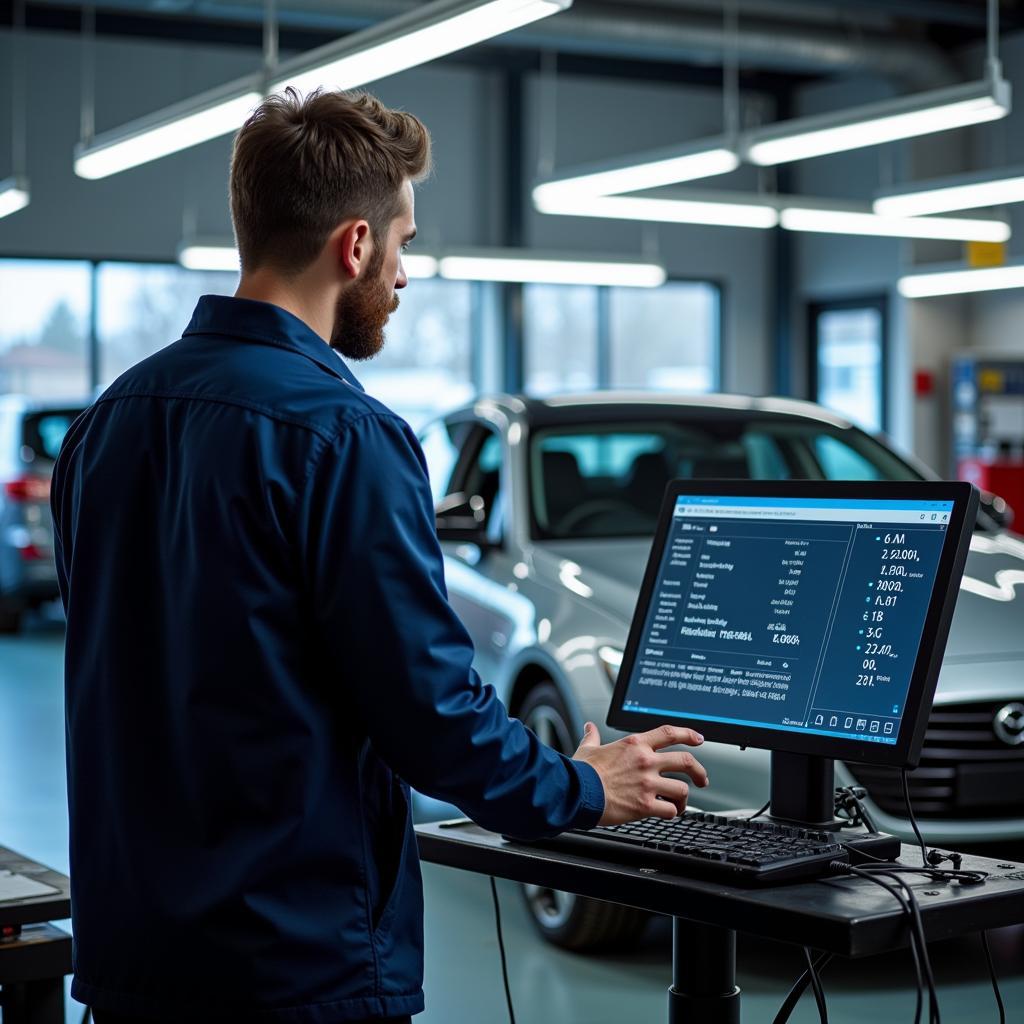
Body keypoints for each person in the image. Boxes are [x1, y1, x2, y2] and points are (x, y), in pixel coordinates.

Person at [51, 88, 708, 1024]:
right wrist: (580, 786)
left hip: (133, 961)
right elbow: (429, 714)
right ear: (354, 245)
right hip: (292, 966)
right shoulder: (344, 435)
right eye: (403, 241)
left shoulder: (106, 424)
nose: (405, 273)